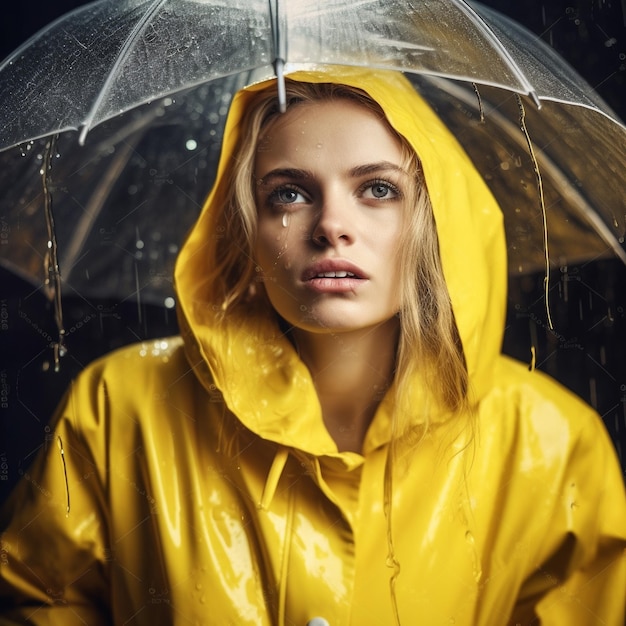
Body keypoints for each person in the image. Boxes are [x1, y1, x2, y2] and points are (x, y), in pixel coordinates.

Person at [0, 66, 625, 625]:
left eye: (378, 189)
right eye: (289, 193)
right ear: (245, 228)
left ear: (436, 226)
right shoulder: (121, 406)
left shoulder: (551, 442)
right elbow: (41, 600)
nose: (331, 226)